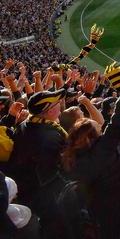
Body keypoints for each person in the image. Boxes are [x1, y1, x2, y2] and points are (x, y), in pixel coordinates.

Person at [61, 77, 120, 239]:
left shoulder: (74, 158)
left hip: (102, 207)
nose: (100, 126)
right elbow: (116, 123)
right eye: (96, 127)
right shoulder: (103, 148)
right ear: (91, 135)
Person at [9, 88, 68, 236]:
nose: (60, 105)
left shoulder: (25, 125)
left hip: (26, 188)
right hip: (42, 195)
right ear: (48, 112)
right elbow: (54, 171)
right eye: (57, 104)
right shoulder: (50, 137)